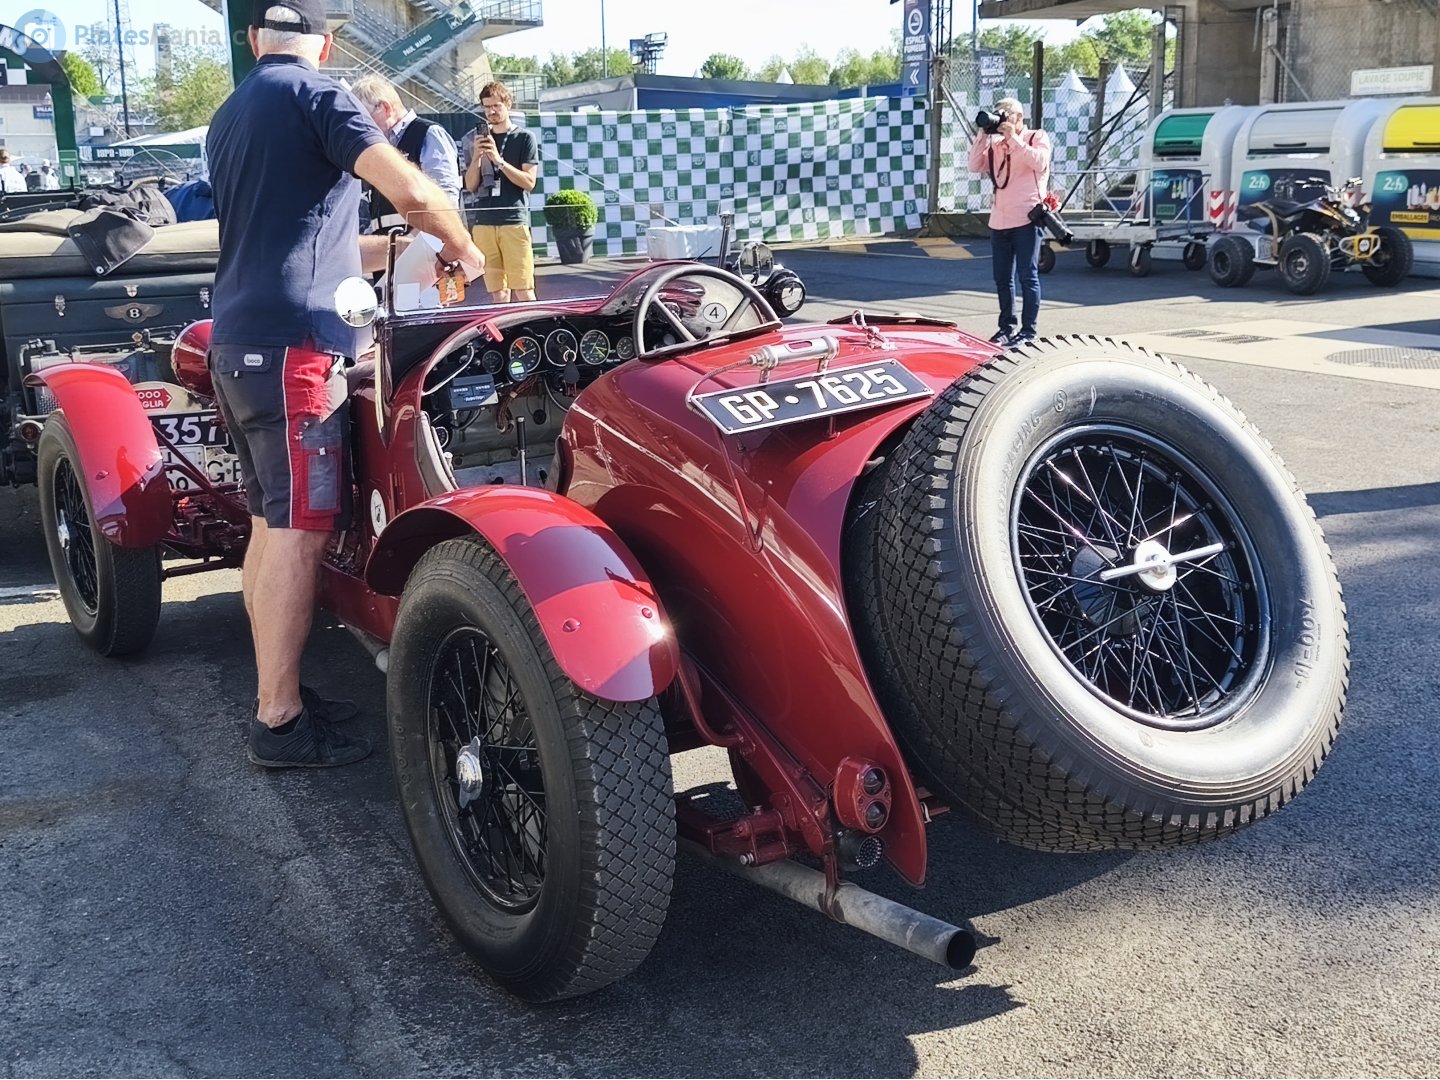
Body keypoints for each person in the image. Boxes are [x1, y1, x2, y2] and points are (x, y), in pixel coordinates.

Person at [206, 0, 484, 769]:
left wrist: (390, 251)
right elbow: (418, 193)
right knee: (300, 529)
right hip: (296, 350)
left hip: (241, 341)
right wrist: (463, 248)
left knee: (270, 522)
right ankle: (279, 719)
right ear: (326, 44)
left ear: (255, 39)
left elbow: (300, 241)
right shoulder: (320, 95)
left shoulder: (232, 113)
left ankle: (275, 693)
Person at [967, 97, 1052, 348]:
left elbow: (1040, 162)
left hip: (1027, 217)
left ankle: (1028, 331)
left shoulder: (1036, 137)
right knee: (1002, 278)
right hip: (999, 220)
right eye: (997, 113)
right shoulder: (995, 145)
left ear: (1019, 117)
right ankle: (1006, 327)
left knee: (1028, 275)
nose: (1001, 118)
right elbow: (973, 166)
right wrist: (984, 135)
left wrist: (1013, 139)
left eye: (1006, 114)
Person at [458, 80, 539, 302]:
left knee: (523, 289)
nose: (491, 111)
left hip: (513, 220)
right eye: (486, 107)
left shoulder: (524, 138)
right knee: (498, 293)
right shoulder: (476, 139)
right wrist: (477, 156)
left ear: (508, 104)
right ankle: (505, 336)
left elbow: (529, 182)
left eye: (496, 106)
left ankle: (532, 333)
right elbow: (471, 186)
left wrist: (498, 161)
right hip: (483, 223)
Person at [348, 73, 461, 231]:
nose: (362, 128)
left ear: (385, 108)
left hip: (421, 246)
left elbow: (446, 199)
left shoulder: (428, 134)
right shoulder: (381, 146)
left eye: (365, 119)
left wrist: (418, 242)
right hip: (388, 245)